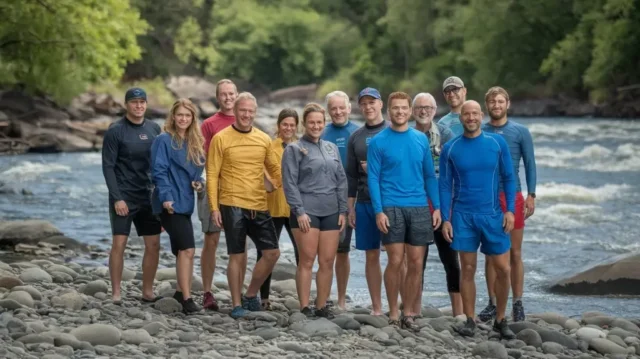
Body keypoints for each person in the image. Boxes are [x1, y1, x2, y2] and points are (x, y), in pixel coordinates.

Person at [439, 100, 516, 339]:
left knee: (503, 268)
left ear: (481, 115)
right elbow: (444, 185)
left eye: (474, 113)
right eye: (466, 114)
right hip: (463, 216)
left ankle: (501, 320)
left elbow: (509, 177)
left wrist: (510, 210)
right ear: (460, 117)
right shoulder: (451, 148)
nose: (471, 117)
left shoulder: (497, 143)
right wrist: (446, 218)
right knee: (468, 268)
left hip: (493, 215)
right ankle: (470, 320)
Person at [367, 91, 441, 330]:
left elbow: (430, 175)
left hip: (419, 207)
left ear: (410, 112)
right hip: (391, 207)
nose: (400, 112)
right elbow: (373, 178)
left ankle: (408, 312)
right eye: (395, 108)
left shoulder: (420, 139)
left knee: (416, 263)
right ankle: (393, 312)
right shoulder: (379, 141)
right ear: (389, 112)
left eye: (403, 108)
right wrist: (379, 211)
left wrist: (437, 207)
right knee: (396, 261)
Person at [206, 92, 282, 319]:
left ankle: (250, 295)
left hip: (259, 203)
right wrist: (214, 207)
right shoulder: (221, 138)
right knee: (237, 256)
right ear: (235, 112)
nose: (247, 115)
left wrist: (275, 183)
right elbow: (212, 174)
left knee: (272, 253)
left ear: (255, 113)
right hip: (231, 203)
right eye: (243, 110)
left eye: (250, 111)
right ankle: (237, 304)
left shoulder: (263, 139)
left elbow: (275, 169)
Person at [282, 103, 348, 318]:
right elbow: (289, 183)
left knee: (328, 261)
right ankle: (304, 306)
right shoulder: (293, 148)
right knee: (307, 260)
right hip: (306, 212)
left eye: (320, 122)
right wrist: (299, 211)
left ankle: (321, 306)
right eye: (312, 122)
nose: (316, 126)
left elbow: (341, 180)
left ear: (324, 123)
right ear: (304, 124)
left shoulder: (331, 147)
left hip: (331, 210)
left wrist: (343, 210)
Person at [479, 86, 537, 322]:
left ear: (508, 104)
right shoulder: (479, 131)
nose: (496, 105)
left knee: (514, 252)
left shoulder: (520, 132)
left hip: (513, 196)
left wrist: (531, 194)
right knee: (491, 254)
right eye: (492, 102)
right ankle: (492, 302)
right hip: (486, 199)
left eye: (500, 102)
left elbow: (530, 164)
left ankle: (518, 303)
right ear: (487, 105)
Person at [102, 87, 162, 304]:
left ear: (146, 104)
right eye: (134, 102)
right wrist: (117, 197)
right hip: (124, 195)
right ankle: (116, 293)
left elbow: (160, 165)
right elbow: (108, 167)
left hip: (147, 195)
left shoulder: (155, 129)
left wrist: (161, 199)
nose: (139, 106)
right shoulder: (115, 131)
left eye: (142, 102)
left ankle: (147, 291)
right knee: (119, 243)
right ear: (126, 104)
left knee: (154, 244)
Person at [151, 99, 205, 314]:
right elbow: (159, 171)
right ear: (173, 116)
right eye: (180, 115)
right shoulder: (163, 140)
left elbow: (197, 174)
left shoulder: (194, 142)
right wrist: (166, 198)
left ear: (193, 118)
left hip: (186, 202)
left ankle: (180, 292)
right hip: (169, 202)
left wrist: (199, 184)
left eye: (187, 115)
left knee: (183, 250)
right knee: (187, 249)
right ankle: (186, 298)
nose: (183, 119)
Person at [411, 92, 462, 317]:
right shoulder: (407, 134)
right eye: (420, 107)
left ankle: (459, 311)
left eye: (428, 107)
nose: (424, 111)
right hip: (414, 202)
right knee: (416, 260)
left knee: (450, 258)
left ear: (434, 110)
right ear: (414, 111)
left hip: (442, 202)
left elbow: (457, 167)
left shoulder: (445, 133)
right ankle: (415, 308)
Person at [346, 87, 388, 316]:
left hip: (392, 203)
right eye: (364, 103)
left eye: (372, 102)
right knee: (371, 254)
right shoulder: (356, 137)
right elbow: (351, 176)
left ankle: (398, 303)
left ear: (381, 104)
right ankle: (377, 307)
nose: (368, 107)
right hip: (364, 202)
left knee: (396, 255)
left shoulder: (393, 130)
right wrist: (350, 207)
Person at [198, 79, 239, 311]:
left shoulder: (245, 118)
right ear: (217, 97)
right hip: (212, 186)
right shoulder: (209, 124)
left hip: (238, 188)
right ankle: (207, 291)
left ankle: (239, 293)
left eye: (231, 93)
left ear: (237, 95)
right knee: (211, 239)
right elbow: (201, 158)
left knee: (239, 240)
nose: (227, 98)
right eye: (223, 94)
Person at [321, 90, 360, 310]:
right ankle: (325, 296)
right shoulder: (322, 132)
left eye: (341, 107)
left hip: (356, 198)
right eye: (333, 108)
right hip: (328, 200)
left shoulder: (357, 132)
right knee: (329, 252)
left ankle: (342, 299)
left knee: (344, 252)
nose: (337, 112)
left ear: (349, 108)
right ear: (328, 111)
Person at [262, 108, 300, 310]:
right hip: (274, 207)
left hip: (296, 208)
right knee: (267, 252)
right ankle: (263, 297)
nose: (288, 128)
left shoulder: (302, 147)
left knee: (302, 253)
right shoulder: (269, 146)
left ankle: (304, 298)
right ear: (278, 126)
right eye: (285, 124)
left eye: (292, 125)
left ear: (296, 127)